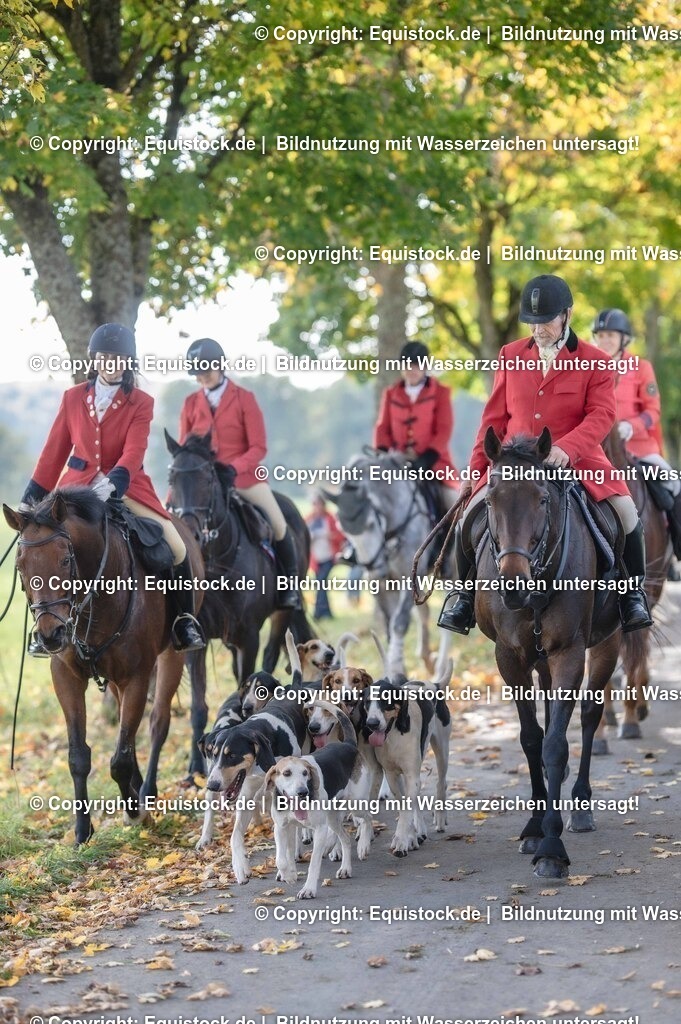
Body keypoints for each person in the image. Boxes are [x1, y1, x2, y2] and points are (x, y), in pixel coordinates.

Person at [438, 274, 652, 636]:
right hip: (514, 464)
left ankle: (632, 595)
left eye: (546, 321)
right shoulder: (510, 355)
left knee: (627, 512)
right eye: (532, 322)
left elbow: (601, 415)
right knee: (467, 518)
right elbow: (493, 420)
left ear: (567, 315)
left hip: (578, 460)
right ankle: (463, 596)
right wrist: (475, 472)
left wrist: (567, 448)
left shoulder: (595, 361)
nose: (537, 330)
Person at [21, 323, 205, 655]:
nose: (111, 363)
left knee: (177, 546)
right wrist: (30, 499)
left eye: (118, 358)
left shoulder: (141, 402)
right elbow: (54, 452)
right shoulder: (72, 397)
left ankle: (183, 621)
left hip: (127, 486)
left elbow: (134, 452)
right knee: (41, 548)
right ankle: (42, 628)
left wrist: (112, 485)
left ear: (127, 362)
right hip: (74, 489)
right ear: (94, 359)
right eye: (104, 357)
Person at [179, 337, 300, 609]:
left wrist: (233, 468)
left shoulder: (244, 398)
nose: (202, 377)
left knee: (278, 524)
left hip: (244, 479)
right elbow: (186, 448)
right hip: (203, 484)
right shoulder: (190, 403)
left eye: (206, 370)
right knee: (177, 525)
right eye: (197, 372)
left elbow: (259, 447)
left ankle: (289, 587)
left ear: (220, 365)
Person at [592, 308, 681, 557]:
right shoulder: (589, 368)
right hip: (598, 450)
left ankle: (676, 547)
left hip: (639, 448)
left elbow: (653, 410)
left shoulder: (641, 367)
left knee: (673, 484)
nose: (605, 340)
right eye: (601, 335)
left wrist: (631, 426)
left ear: (624, 339)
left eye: (611, 335)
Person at [373, 340, 459, 513]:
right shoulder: (390, 393)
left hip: (434, 464)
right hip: (398, 463)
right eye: (407, 365)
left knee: (454, 503)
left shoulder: (441, 392)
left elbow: (444, 430)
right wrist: (382, 454)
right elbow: (382, 428)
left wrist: (427, 459)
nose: (411, 370)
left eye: (416, 365)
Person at [305, 493, 345, 620]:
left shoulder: (330, 518)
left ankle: (318, 612)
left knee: (321, 582)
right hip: (315, 559)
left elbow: (340, 536)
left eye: (319, 504)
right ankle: (326, 612)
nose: (317, 507)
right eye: (314, 504)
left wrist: (329, 535)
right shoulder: (308, 520)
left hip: (328, 556)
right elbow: (303, 538)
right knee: (321, 584)